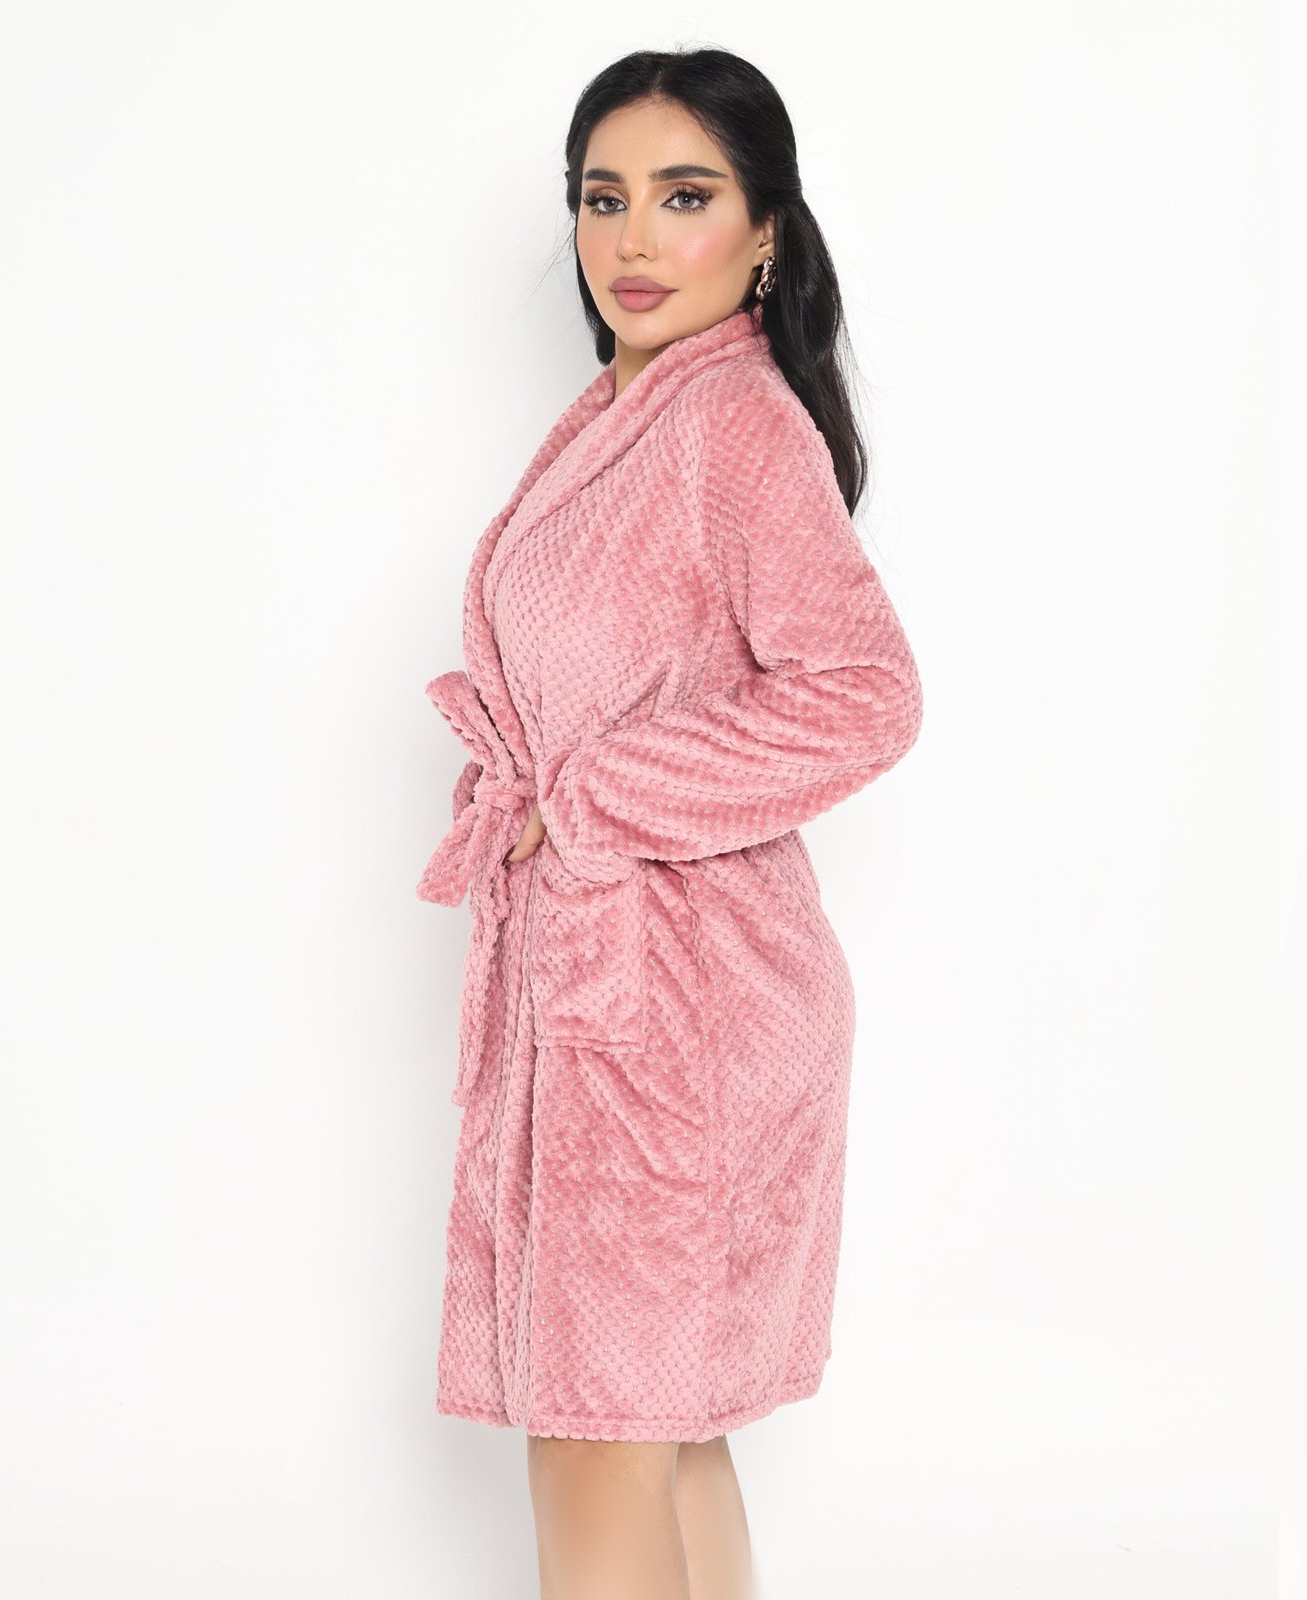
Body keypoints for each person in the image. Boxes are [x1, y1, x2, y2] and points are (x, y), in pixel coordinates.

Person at [416, 47, 925, 1600]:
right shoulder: (625, 417)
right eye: (604, 197)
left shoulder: (734, 426)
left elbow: (866, 693)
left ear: (766, 231)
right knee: (660, 1432)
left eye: (685, 196)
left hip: (681, 1014)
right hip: (626, 998)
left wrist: (587, 799)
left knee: (598, 1436)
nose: (633, 237)